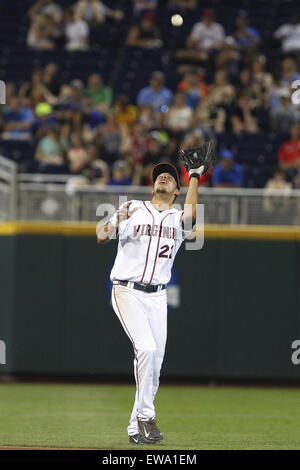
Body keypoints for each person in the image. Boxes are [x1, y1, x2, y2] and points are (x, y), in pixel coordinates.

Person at [96, 151, 205, 444]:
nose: (164, 177)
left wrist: (194, 176)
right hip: (126, 290)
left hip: (157, 297)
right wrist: (118, 217)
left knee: (154, 363)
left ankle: (135, 428)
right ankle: (145, 415)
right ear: (152, 185)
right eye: (160, 175)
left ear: (177, 191)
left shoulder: (178, 217)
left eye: (170, 176)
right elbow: (101, 234)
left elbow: (193, 215)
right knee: (145, 348)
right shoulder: (134, 207)